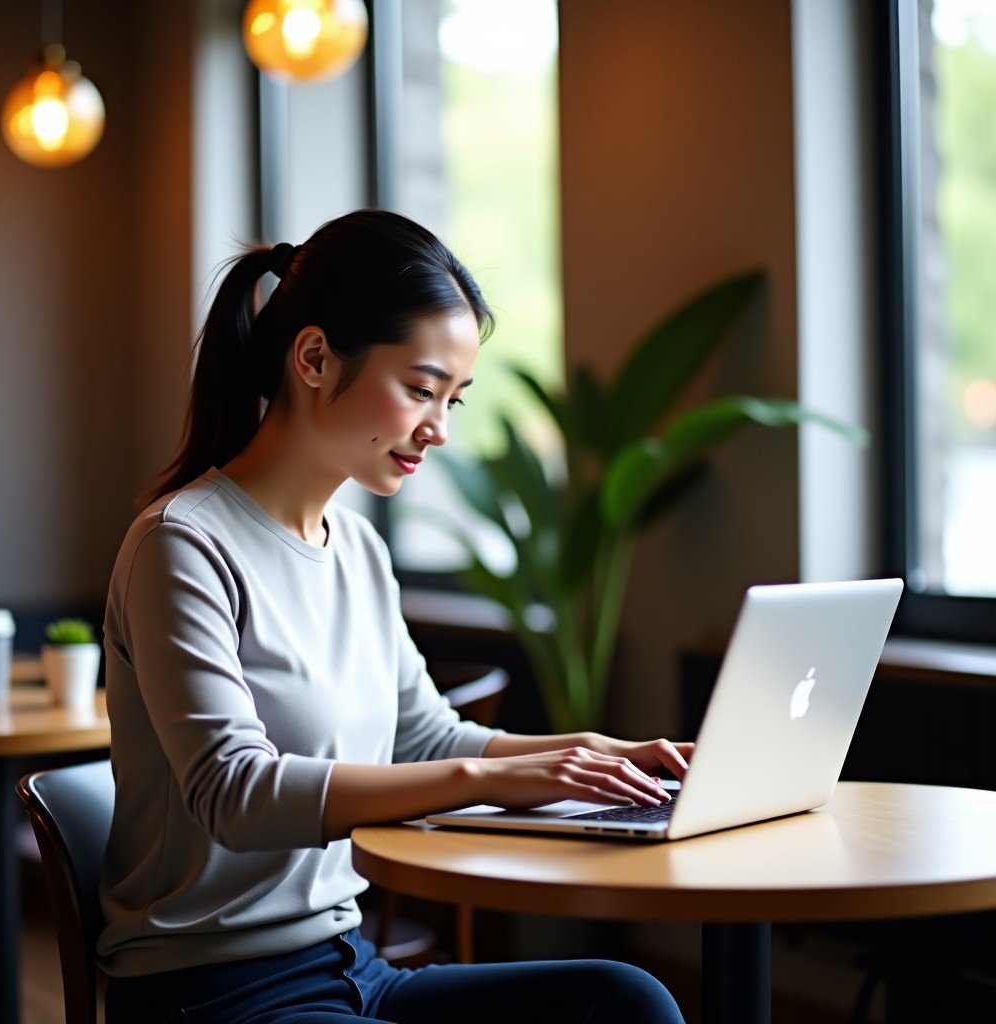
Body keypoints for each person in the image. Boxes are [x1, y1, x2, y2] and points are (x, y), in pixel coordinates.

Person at [99, 209, 691, 1024]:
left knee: (625, 1000)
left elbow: (427, 738)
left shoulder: (358, 553)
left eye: (453, 398)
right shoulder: (182, 544)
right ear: (313, 358)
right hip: (210, 990)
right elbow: (233, 793)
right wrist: (490, 779)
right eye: (420, 389)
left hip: (350, 967)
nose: (438, 430)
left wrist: (584, 754)